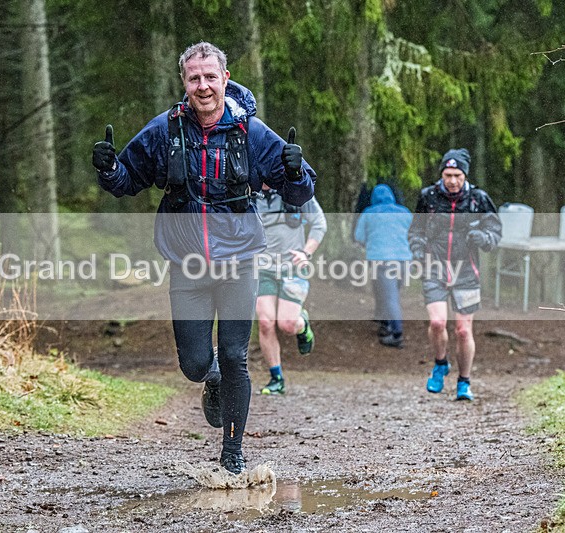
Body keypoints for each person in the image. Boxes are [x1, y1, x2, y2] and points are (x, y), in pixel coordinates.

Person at [91, 42, 316, 474]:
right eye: (194, 78)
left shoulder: (251, 132)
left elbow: (298, 194)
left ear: (225, 78)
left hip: (240, 261)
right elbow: (127, 180)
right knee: (196, 364)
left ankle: (233, 452)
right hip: (188, 264)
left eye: (210, 76)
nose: (203, 85)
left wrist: (293, 170)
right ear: (184, 83)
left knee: (235, 356)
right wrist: (107, 169)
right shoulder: (166, 129)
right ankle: (209, 378)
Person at [408, 148, 501, 401]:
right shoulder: (428, 197)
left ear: (465, 175)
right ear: (442, 174)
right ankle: (440, 364)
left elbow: (495, 233)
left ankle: (464, 382)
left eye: (457, 175)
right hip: (434, 268)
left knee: (462, 330)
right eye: (448, 174)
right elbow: (415, 230)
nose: (452, 180)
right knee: (437, 322)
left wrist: (483, 237)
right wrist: (417, 250)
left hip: (466, 272)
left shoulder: (478, 200)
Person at [255, 184, 326, 395]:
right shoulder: (249, 191)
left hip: (294, 267)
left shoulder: (295, 190)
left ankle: (302, 325)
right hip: (262, 268)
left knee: (287, 325)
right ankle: (276, 378)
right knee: (266, 322)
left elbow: (319, 223)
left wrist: (306, 252)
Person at [354, 183, 412, 349]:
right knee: (392, 293)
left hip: (381, 260)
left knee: (389, 297)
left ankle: (396, 334)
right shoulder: (405, 213)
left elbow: (358, 236)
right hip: (404, 260)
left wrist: (371, 243)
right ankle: (385, 322)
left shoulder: (369, 213)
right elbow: (413, 233)